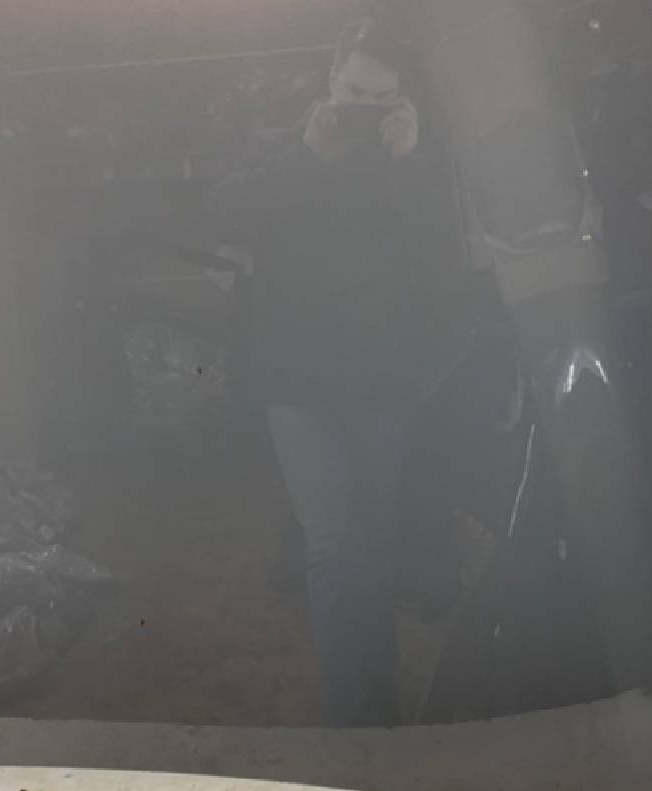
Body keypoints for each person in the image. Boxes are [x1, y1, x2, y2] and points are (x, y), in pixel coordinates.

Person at [213, 16, 460, 727]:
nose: (361, 107)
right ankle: (355, 723)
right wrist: (306, 156)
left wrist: (410, 162)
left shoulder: (410, 160)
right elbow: (226, 212)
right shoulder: (282, 145)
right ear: (330, 80)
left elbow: (444, 254)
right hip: (298, 390)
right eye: (352, 91)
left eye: (379, 98)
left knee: (375, 543)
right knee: (333, 547)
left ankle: (376, 696)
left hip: (382, 389)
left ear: (401, 100)